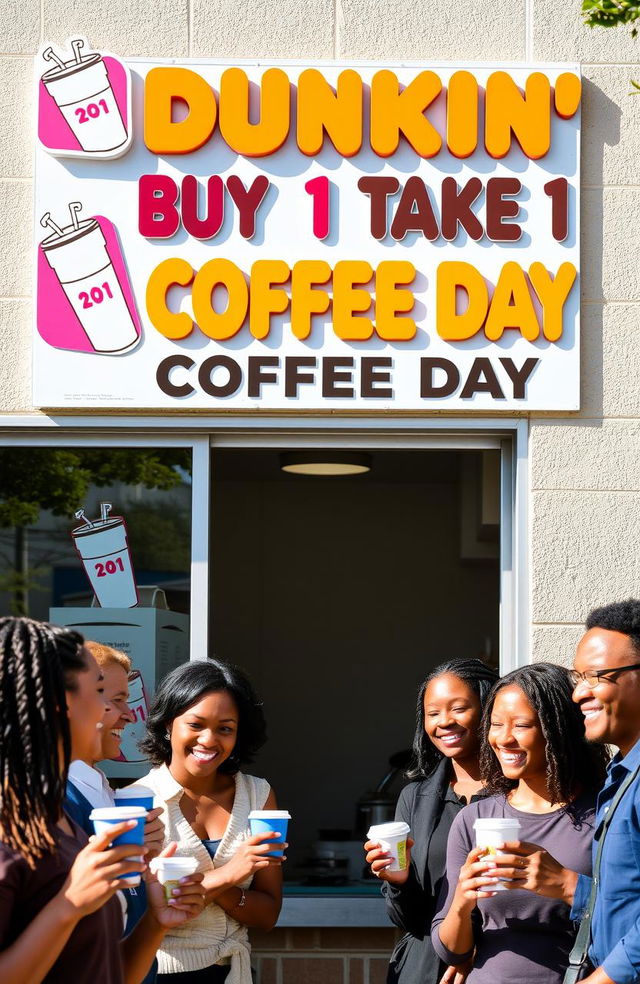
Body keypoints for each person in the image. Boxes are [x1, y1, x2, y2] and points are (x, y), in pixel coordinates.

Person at [0, 616, 206, 984]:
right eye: (99, 692)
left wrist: (155, 923)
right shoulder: (7, 822)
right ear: (60, 703)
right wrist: (70, 904)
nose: (117, 713)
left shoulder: (56, 821)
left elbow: (109, 973)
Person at [489, 601, 640, 984]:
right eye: (578, 678)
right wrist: (571, 887)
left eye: (596, 676)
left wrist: (602, 979)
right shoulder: (621, 777)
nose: (579, 694)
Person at [431, 663, 609, 984]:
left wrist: (568, 885)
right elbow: (452, 952)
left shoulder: (605, 814)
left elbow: (630, 920)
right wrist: (461, 900)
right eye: (496, 724)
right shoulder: (474, 818)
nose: (504, 738)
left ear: (557, 730)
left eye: (522, 725)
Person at [136, 659, 284, 982]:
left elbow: (269, 914)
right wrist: (232, 873)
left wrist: (217, 889)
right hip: (160, 974)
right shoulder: (140, 802)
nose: (208, 740)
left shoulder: (258, 795)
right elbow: (148, 915)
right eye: (196, 724)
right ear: (167, 724)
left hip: (235, 972)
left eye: (225, 729)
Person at [363, 658, 499, 984]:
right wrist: (398, 881)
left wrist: (468, 950)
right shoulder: (416, 798)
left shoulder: (519, 794)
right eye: (433, 713)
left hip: (497, 963)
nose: (444, 723)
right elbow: (407, 919)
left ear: (488, 708)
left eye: (458, 708)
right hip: (423, 969)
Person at [64, 642, 165, 980]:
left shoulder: (107, 792)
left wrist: (147, 860)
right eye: (116, 699)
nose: (130, 713)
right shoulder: (54, 803)